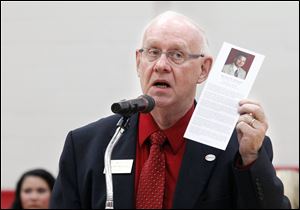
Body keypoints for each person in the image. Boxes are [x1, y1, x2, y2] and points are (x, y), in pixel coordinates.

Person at [50, 11, 291, 209]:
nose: (161, 66)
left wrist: (251, 159)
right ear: (138, 61)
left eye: (177, 55)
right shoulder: (86, 145)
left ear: (204, 69)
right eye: (152, 53)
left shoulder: (236, 147)